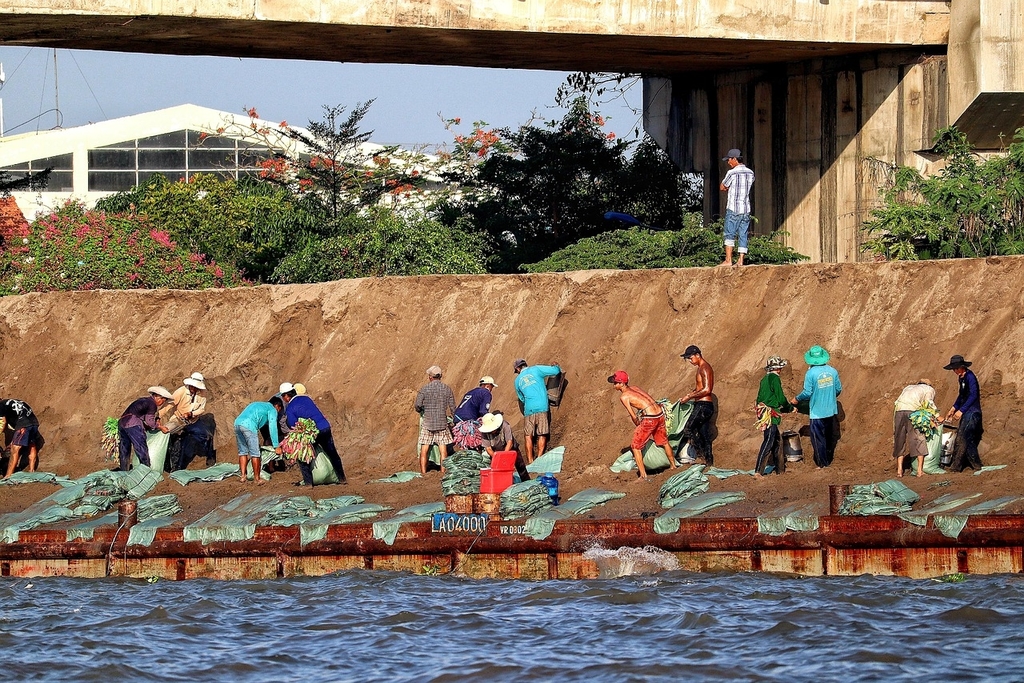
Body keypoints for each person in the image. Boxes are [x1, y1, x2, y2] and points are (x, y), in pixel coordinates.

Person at [608, 370, 676, 480]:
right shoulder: (635, 388)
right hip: (659, 413)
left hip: (650, 418)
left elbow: (633, 415)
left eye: (615, 383)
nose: (614, 385)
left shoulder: (624, 397)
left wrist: (638, 424)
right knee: (664, 441)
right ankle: (673, 466)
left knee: (635, 446)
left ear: (622, 384)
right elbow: (649, 399)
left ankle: (643, 476)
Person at [281, 382, 348, 486]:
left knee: (302, 456)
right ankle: (342, 478)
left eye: (283, 396)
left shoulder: (290, 408)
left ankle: (308, 483)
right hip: (325, 427)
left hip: (311, 433)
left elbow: (292, 424)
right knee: (332, 453)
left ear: (286, 396)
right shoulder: (307, 398)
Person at [790, 345, 842, 468]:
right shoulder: (833, 371)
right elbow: (838, 389)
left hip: (817, 412)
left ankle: (821, 465)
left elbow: (807, 392)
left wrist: (796, 399)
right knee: (829, 438)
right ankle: (828, 461)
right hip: (831, 411)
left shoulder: (810, 373)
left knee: (818, 439)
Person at [513, 358, 562, 464]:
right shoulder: (536, 369)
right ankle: (539, 459)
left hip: (529, 409)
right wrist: (556, 366)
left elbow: (521, 398)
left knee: (528, 435)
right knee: (542, 433)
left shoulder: (517, 381)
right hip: (542, 406)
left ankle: (530, 461)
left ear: (517, 369)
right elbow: (556, 371)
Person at [943, 355, 984, 472]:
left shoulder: (970, 377)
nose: (955, 371)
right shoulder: (961, 378)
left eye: (956, 369)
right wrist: (953, 408)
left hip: (972, 412)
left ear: (961, 367)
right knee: (968, 439)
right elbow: (962, 396)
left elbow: (973, 395)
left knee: (961, 437)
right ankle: (977, 465)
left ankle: (956, 467)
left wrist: (961, 410)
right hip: (967, 412)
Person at [165, 372, 213, 470]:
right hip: (178, 420)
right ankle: (171, 465)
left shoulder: (203, 394)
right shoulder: (181, 391)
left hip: (193, 421)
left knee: (207, 436)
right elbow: (168, 405)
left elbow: (202, 409)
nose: (193, 389)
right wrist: (158, 416)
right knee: (169, 437)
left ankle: (210, 459)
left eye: (196, 387)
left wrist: (191, 414)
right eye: (192, 386)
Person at [117, 387, 172, 471]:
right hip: (132, 424)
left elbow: (137, 414)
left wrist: (145, 426)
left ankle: (124, 470)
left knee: (124, 448)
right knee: (141, 447)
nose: (161, 403)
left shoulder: (144, 400)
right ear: (157, 397)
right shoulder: (152, 404)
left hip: (122, 423)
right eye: (162, 401)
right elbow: (150, 421)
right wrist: (160, 427)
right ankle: (146, 470)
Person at [415, 366, 456, 474]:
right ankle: (443, 472)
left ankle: (423, 472)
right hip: (442, 424)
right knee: (443, 450)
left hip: (428, 423)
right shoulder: (447, 389)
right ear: (440, 376)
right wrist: (454, 421)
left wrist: (422, 410)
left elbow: (417, 405)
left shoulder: (424, 389)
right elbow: (453, 408)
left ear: (430, 377)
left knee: (424, 449)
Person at [893, 379, 938, 478]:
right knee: (918, 438)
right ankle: (919, 471)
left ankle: (899, 470)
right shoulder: (929, 389)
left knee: (899, 439)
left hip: (899, 411)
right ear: (928, 384)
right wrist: (937, 416)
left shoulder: (908, 387)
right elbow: (929, 403)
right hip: (912, 411)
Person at [679, 345, 715, 465]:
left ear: (698, 355)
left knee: (688, 429)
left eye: (690, 357)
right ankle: (709, 462)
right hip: (704, 404)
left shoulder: (704, 368)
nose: (690, 360)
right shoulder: (701, 368)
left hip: (703, 405)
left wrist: (689, 396)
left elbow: (707, 389)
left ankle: (701, 456)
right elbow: (700, 388)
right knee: (704, 434)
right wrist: (690, 395)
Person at [754, 356, 790, 477]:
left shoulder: (764, 379)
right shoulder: (775, 378)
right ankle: (758, 471)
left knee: (777, 441)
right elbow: (780, 397)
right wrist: (789, 407)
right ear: (778, 369)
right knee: (769, 440)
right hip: (770, 413)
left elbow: (758, 398)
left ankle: (780, 470)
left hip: (763, 411)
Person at [233, 400, 283, 486]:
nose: (278, 413)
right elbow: (273, 426)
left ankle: (243, 476)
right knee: (255, 454)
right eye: (279, 410)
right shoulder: (272, 409)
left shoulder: (258, 404)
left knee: (242, 452)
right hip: (249, 426)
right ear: (277, 407)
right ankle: (257, 479)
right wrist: (276, 446)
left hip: (237, 423)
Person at [719, 148, 755, 267]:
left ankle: (728, 260)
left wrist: (730, 188)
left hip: (733, 207)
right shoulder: (750, 173)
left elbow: (722, 187)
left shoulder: (732, 173)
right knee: (743, 234)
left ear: (735, 159)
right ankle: (740, 260)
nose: (728, 162)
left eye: (729, 159)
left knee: (729, 233)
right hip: (745, 208)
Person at [0, 398, 44, 479]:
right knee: (31, 445)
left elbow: (3, 421)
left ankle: (8, 476)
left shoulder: (1, 405)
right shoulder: (11, 401)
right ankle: (32, 471)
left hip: (23, 425)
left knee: (15, 449)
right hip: (34, 422)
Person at [479, 411, 530, 481]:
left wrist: (505, 456)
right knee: (498, 469)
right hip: (496, 452)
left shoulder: (505, 425)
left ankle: (526, 481)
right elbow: (488, 448)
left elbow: (509, 442)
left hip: (510, 448)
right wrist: (497, 457)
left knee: (520, 466)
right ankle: (503, 483)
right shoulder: (484, 434)